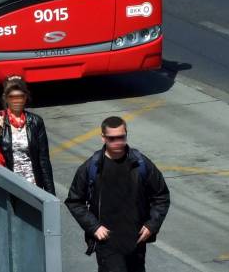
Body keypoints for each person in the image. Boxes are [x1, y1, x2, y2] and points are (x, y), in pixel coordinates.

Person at [65, 116, 171, 272]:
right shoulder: (92, 167)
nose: (117, 142)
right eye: (112, 138)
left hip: (136, 242)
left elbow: (161, 196)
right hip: (107, 244)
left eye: (121, 137)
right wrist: (94, 227)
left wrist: (151, 225)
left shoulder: (141, 164)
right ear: (103, 138)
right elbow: (74, 201)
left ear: (126, 134)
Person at [0, 76, 55, 194]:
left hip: (32, 185)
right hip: (6, 184)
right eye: (12, 97)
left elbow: (43, 160)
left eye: (20, 97)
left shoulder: (35, 122)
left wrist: (51, 194)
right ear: (6, 99)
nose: (17, 101)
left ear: (26, 98)